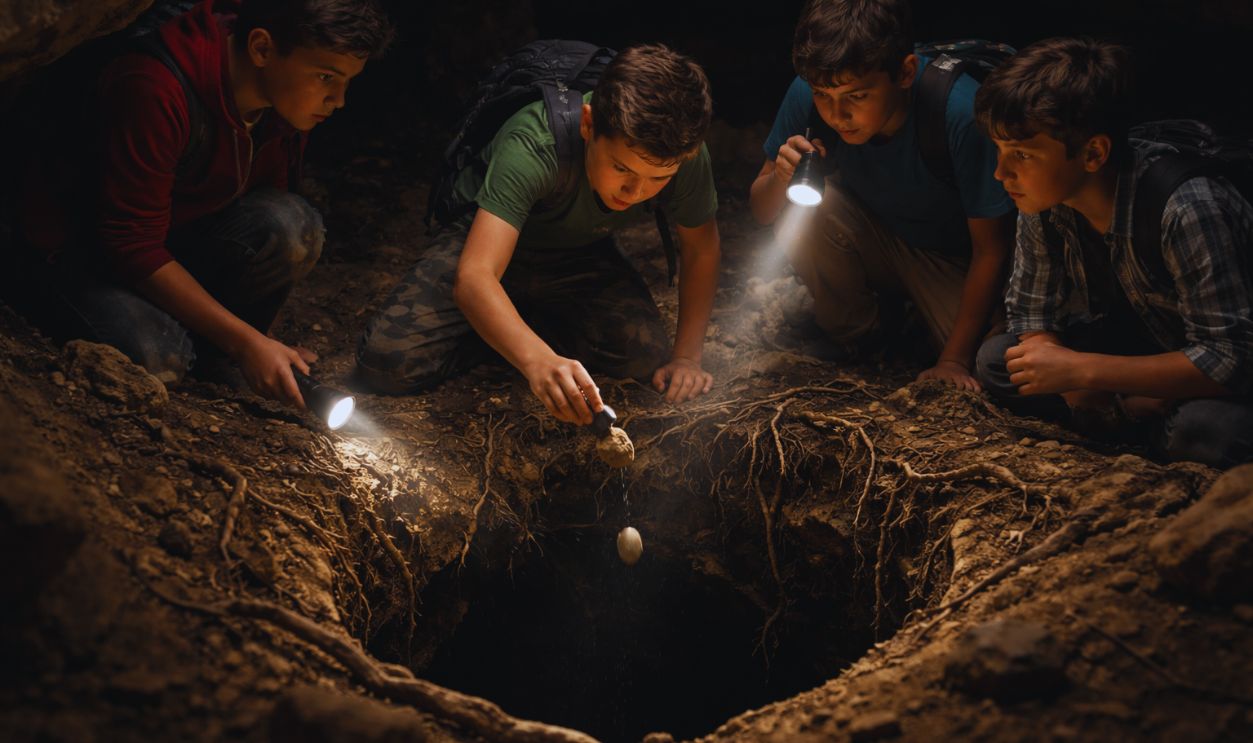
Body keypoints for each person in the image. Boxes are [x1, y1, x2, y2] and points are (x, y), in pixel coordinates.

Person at [11, 0, 393, 408]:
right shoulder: (155, 87)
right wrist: (245, 343)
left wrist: (256, 338)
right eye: (326, 77)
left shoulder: (283, 102)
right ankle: (205, 343)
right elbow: (128, 245)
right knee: (160, 358)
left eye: (347, 82)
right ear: (262, 49)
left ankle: (217, 346)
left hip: (171, 239)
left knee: (292, 224)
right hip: (80, 257)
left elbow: (266, 200)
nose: (338, 99)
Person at [355, 44, 722, 425]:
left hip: (578, 251)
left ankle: (512, 324)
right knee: (386, 362)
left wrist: (687, 358)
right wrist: (537, 360)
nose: (635, 191)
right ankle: (503, 329)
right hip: (485, 241)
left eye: (657, 179)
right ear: (588, 125)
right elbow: (475, 276)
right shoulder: (535, 143)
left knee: (642, 356)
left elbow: (701, 249)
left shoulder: (680, 153)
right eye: (621, 168)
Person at [972, 37, 1253, 467]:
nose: (1000, 172)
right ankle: (1132, 415)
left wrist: (1084, 371)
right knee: (998, 360)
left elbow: (1231, 359)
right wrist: (1061, 371)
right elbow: (1032, 313)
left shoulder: (1187, 207)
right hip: (1137, 346)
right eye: (1000, 150)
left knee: (1208, 430)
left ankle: (1137, 418)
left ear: (1093, 153)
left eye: (1022, 154)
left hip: (1211, 372)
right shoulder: (1043, 201)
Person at [749, 0, 1015, 390]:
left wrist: (953, 360)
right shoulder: (812, 88)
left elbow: (992, 250)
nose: (837, 114)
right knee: (807, 206)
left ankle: (917, 325)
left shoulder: (959, 112)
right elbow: (762, 211)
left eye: (857, 97)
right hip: (879, 235)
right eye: (824, 95)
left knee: (986, 364)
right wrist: (780, 177)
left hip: (952, 261)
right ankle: (861, 336)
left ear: (905, 72)